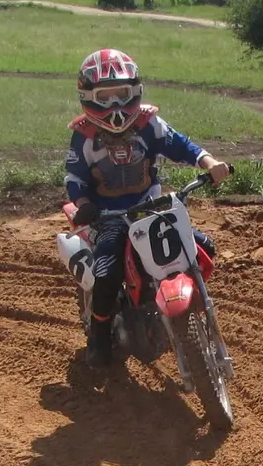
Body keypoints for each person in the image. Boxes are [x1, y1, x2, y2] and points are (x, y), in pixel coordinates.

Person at [66, 48, 230, 368]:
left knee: (201, 247)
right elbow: (75, 178)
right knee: (107, 274)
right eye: (105, 96)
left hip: (151, 208)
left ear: (136, 93)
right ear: (89, 97)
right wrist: (84, 205)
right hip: (108, 219)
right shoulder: (84, 136)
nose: (114, 106)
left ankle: (186, 306)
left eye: (121, 95)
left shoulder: (147, 123)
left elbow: (180, 144)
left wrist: (209, 163)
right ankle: (99, 335)